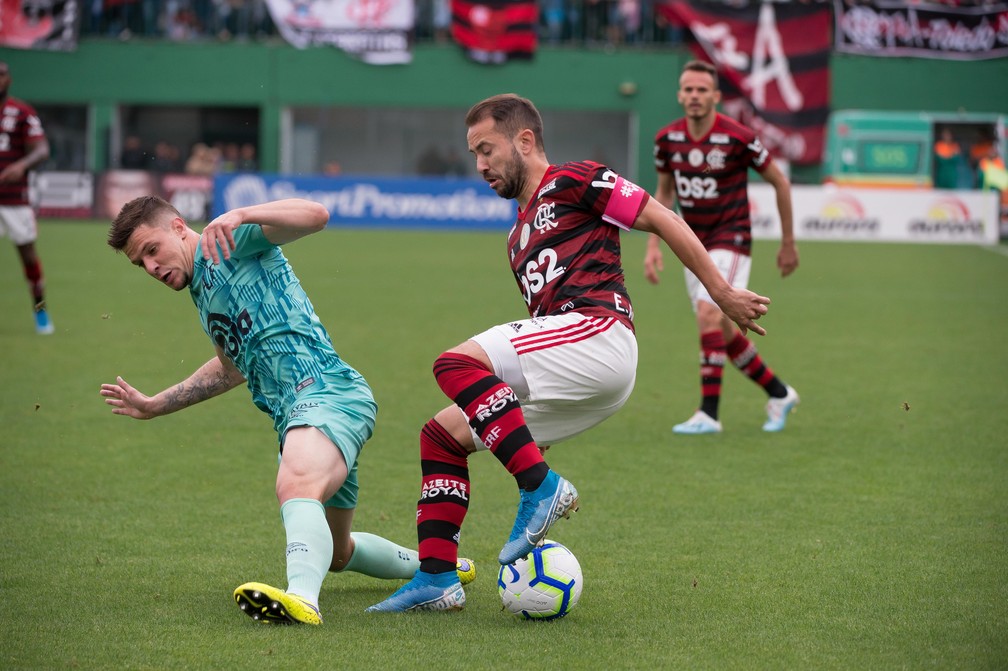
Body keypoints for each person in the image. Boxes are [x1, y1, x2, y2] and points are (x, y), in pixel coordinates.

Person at [366, 93, 770, 613]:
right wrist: (525, 428)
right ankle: (437, 578)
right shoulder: (516, 237)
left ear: (525, 140)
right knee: (441, 435)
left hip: (600, 332)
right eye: (473, 155)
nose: (480, 165)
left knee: (455, 363)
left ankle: (540, 486)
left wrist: (720, 291)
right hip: (579, 365)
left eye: (486, 149)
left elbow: (662, 216)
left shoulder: (575, 179)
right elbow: (540, 340)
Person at [100, 196, 474, 625]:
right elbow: (229, 370)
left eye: (152, 250)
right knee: (337, 551)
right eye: (139, 263)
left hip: (328, 393)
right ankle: (442, 565)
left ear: (179, 227)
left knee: (295, 483)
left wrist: (243, 213)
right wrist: (155, 405)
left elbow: (317, 216)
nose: (150, 267)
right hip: (299, 416)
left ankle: (301, 600)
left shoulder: (226, 242)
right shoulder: (202, 289)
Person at [645, 59, 800, 435]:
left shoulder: (738, 137)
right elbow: (664, 194)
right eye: (689, 89)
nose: (695, 96)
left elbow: (780, 182)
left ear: (715, 95)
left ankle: (708, 414)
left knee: (708, 314)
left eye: (702, 90)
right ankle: (780, 394)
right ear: (680, 94)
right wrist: (654, 245)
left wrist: (788, 242)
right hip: (691, 241)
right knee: (723, 332)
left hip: (731, 238)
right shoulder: (667, 140)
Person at [0, 61, 54, 335]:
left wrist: (21, 165)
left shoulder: (21, 113)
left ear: (8, 79)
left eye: (2, 74)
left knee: (28, 258)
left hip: (14, 201)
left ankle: (40, 312)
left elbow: (42, 149)